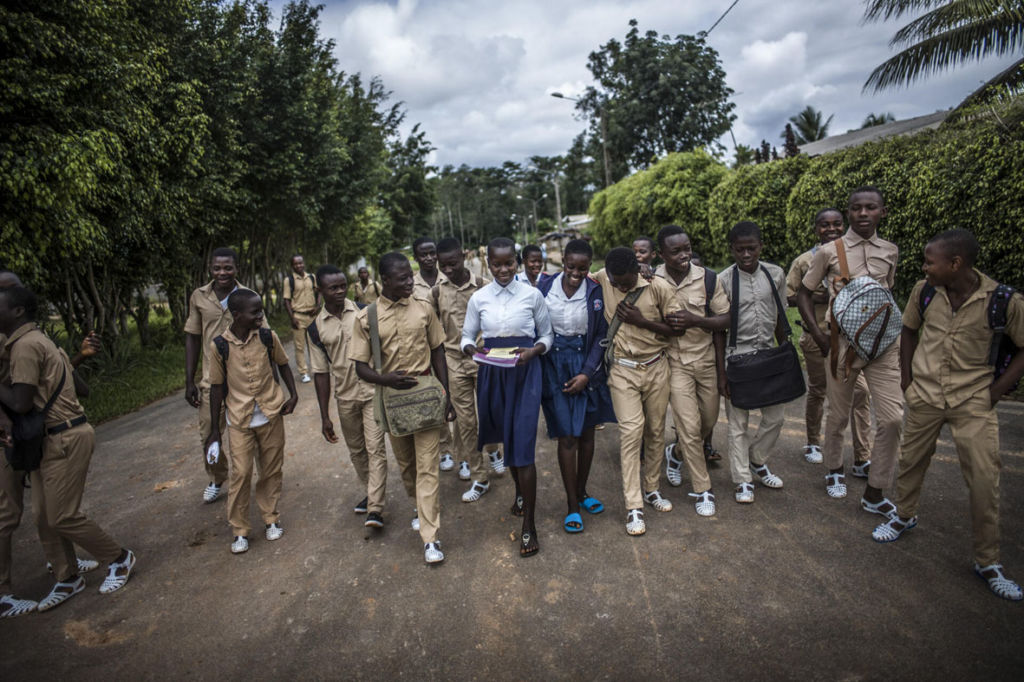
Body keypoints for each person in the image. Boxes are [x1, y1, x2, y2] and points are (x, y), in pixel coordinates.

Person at [873, 229, 1024, 601]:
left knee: (985, 477)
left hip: (973, 399)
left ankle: (987, 561)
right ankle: (903, 515)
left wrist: (994, 392)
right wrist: (907, 379)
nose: (925, 267)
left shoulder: (1005, 300)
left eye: (929, 261)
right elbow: (908, 331)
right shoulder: (924, 292)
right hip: (924, 393)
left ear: (955, 264)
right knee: (911, 460)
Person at [0, 286, 136, 611]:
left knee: (62, 516)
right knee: (44, 515)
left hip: (64, 437)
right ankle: (67, 576)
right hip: (52, 438)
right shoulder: (36, 341)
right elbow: (79, 387)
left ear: (17, 311)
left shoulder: (24, 347)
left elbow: (19, 403)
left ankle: (119, 558)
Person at [798, 186, 902, 511]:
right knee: (839, 414)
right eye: (857, 208)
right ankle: (833, 469)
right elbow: (803, 293)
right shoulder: (830, 251)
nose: (863, 214)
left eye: (871, 208)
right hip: (841, 344)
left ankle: (875, 490)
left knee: (894, 418)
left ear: (882, 212)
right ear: (849, 212)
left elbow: (886, 294)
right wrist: (817, 334)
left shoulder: (890, 250)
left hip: (883, 345)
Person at [352, 253, 455, 564]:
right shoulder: (366, 318)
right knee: (407, 467)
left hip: (425, 399)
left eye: (411, 277)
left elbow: (438, 350)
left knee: (427, 468)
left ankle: (430, 537)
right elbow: (359, 366)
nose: (411, 281)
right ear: (385, 281)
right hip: (393, 403)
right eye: (403, 279)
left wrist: (445, 394)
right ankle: (418, 506)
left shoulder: (424, 308)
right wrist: (385, 379)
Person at [462, 238, 553, 557]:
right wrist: (471, 349)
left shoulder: (532, 295)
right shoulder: (478, 298)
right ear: (487, 263)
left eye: (509, 264)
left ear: (517, 262)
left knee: (523, 446)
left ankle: (529, 525)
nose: (503, 270)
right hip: (493, 374)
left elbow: (546, 335)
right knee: (507, 440)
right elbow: (466, 335)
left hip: (526, 373)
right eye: (496, 264)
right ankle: (519, 493)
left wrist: (535, 351)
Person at [594, 247, 679, 535]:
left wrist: (642, 321)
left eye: (626, 282)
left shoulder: (659, 287)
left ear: (637, 270)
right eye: (615, 281)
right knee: (631, 431)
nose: (620, 286)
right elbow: (576, 273)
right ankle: (634, 506)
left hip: (656, 366)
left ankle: (652, 488)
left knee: (655, 430)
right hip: (622, 369)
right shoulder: (605, 278)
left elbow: (676, 329)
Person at [206, 290, 298, 554]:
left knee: (270, 470)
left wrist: (293, 395)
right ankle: (240, 530)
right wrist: (214, 430)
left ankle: (271, 518)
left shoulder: (268, 337)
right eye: (255, 312)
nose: (261, 316)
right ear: (237, 315)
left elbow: (282, 364)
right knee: (241, 473)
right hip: (238, 420)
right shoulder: (219, 346)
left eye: (261, 311)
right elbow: (216, 387)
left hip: (270, 414)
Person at [536, 239, 616, 533]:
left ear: (589, 266)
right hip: (555, 366)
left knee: (585, 434)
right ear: (563, 262)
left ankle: (582, 493)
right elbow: (535, 326)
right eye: (571, 266)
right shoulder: (545, 288)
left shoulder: (595, 291)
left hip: (587, 368)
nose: (576, 273)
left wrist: (586, 373)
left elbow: (601, 336)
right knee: (566, 435)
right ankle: (571, 504)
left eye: (583, 268)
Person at [786, 209, 872, 466]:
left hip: (851, 339)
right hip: (817, 338)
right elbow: (789, 297)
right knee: (819, 391)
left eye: (836, 224)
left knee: (860, 394)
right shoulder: (803, 261)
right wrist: (813, 296)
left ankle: (863, 455)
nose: (831, 229)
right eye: (825, 225)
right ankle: (813, 441)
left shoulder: (855, 258)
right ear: (816, 229)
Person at [655, 226, 729, 517]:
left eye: (687, 248)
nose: (684, 255)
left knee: (707, 423)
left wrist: (695, 319)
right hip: (674, 364)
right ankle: (703, 489)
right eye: (676, 251)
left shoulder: (708, 278)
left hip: (706, 361)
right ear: (662, 255)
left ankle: (674, 454)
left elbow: (725, 320)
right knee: (688, 426)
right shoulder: (650, 279)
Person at [310, 266, 388, 527]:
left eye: (343, 285)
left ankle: (375, 507)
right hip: (345, 397)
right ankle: (371, 490)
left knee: (375, 448)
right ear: (319, 291)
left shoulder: (364, 312)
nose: (340, 291)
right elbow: (321, 373)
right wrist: (324, 417)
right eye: (333, 287)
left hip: (372, 392)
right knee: (357, 451)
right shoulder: (315, 328)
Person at [719, 222, 789, 504]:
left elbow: (782, 316)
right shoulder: (724, 280)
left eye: (751, 248)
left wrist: (785, 354)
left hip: (769, 353)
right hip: (737, 355)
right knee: (738, 423)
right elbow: (718, 328)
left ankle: (756, 459)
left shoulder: (775, 274)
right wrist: (722, 373)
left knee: (776, 417)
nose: (746, 254)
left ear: (761, 246)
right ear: (732, 250)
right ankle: (742, 480)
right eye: (740, 249)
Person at [184, 247, 256, 505]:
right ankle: (217, 477)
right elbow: (192, 337)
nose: (222, 273)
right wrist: (188, 380)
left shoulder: (249, 295)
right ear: (210, 269)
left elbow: (264, 336)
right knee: (208, 434)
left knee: (247, 434)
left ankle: (244, 479)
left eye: (228, 268)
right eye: (217, 268)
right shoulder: (199, 296)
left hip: (244, 381)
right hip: (210, 380)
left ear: (237, 269)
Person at [433, 238, 492, 501]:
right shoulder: (435, 293)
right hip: (454, 362)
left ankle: (495, 452)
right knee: (466, 423)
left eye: (452, 263)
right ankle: (479, 477)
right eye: (442, 265)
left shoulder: (483, 286)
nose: (447, 269)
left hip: (484, 360)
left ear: (463, 257)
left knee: (491, 415)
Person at [412, 237, 456, 472]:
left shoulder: (450, 275)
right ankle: (445, 449)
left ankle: (464, 451)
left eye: (432, 253)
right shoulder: (411, 284)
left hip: (454, 347)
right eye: (423, 254)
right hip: (427, 351)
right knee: (437, 397)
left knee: (458, 399)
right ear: (416, 257)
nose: (428, 258)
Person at [690, 252, 720, 463]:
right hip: (678, 358)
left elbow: (721, 325)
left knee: (708, 413)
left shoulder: (710, 283)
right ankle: (684, 454)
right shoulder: (662, 280)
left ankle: (705, 443)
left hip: (705, 356)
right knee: (688, 415)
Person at [282, 254, 319, 383]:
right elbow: (286, 300)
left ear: (304, 263)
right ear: (292, 266)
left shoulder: (311, 277)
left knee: (314, 344)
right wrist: (292, 318)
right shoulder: (289, 280)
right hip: (298, 316)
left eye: (300, 263)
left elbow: (318, 291)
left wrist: (318, 306)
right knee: (299, 346)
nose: (299, 265)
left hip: (312, 316)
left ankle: (316, 368)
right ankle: (303, 372)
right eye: (296, 264)